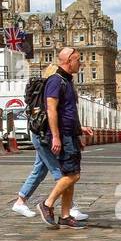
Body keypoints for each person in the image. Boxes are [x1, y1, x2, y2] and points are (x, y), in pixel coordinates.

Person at [11, 62, 89, 223]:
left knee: (40, 170)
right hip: (43, 136)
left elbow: (64, 115)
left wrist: (78, 130)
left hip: (41, 134)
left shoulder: (54, 85)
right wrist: (56, 136)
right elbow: (52, 113)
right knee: (62, 173)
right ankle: (60, 207)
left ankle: (21, 201)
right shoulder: (54, 84)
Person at [37, 45, 94, 229]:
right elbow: (51, 109)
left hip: (70, 133)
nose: (81, 63)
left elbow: (68, 112)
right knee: (73, 175)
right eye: (78, 59)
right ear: (68, 61)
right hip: (62, 135)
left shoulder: (67, 81)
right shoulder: (56, 81)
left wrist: (79, 129)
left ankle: (65, 215)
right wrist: (56, 136)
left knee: (69, 174)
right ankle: (47, 204)